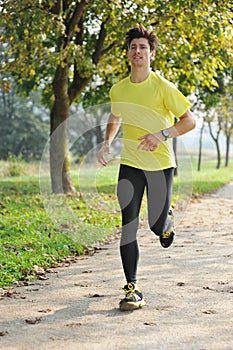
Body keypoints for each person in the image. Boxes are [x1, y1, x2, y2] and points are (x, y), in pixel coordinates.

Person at [97, 25, 196, 311]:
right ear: (128, 54)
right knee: (128, 224)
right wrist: (107, 144)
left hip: (160, 165)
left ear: (151, 53)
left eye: (142, 47)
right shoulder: (118, 88)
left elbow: (189, 121)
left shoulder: (164, 87)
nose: (137, 51)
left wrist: (162, 135)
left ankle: (166, 221)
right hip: (129, 163)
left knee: (154, 226)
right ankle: (132, 288)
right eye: (133, 47)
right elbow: (115, 117)